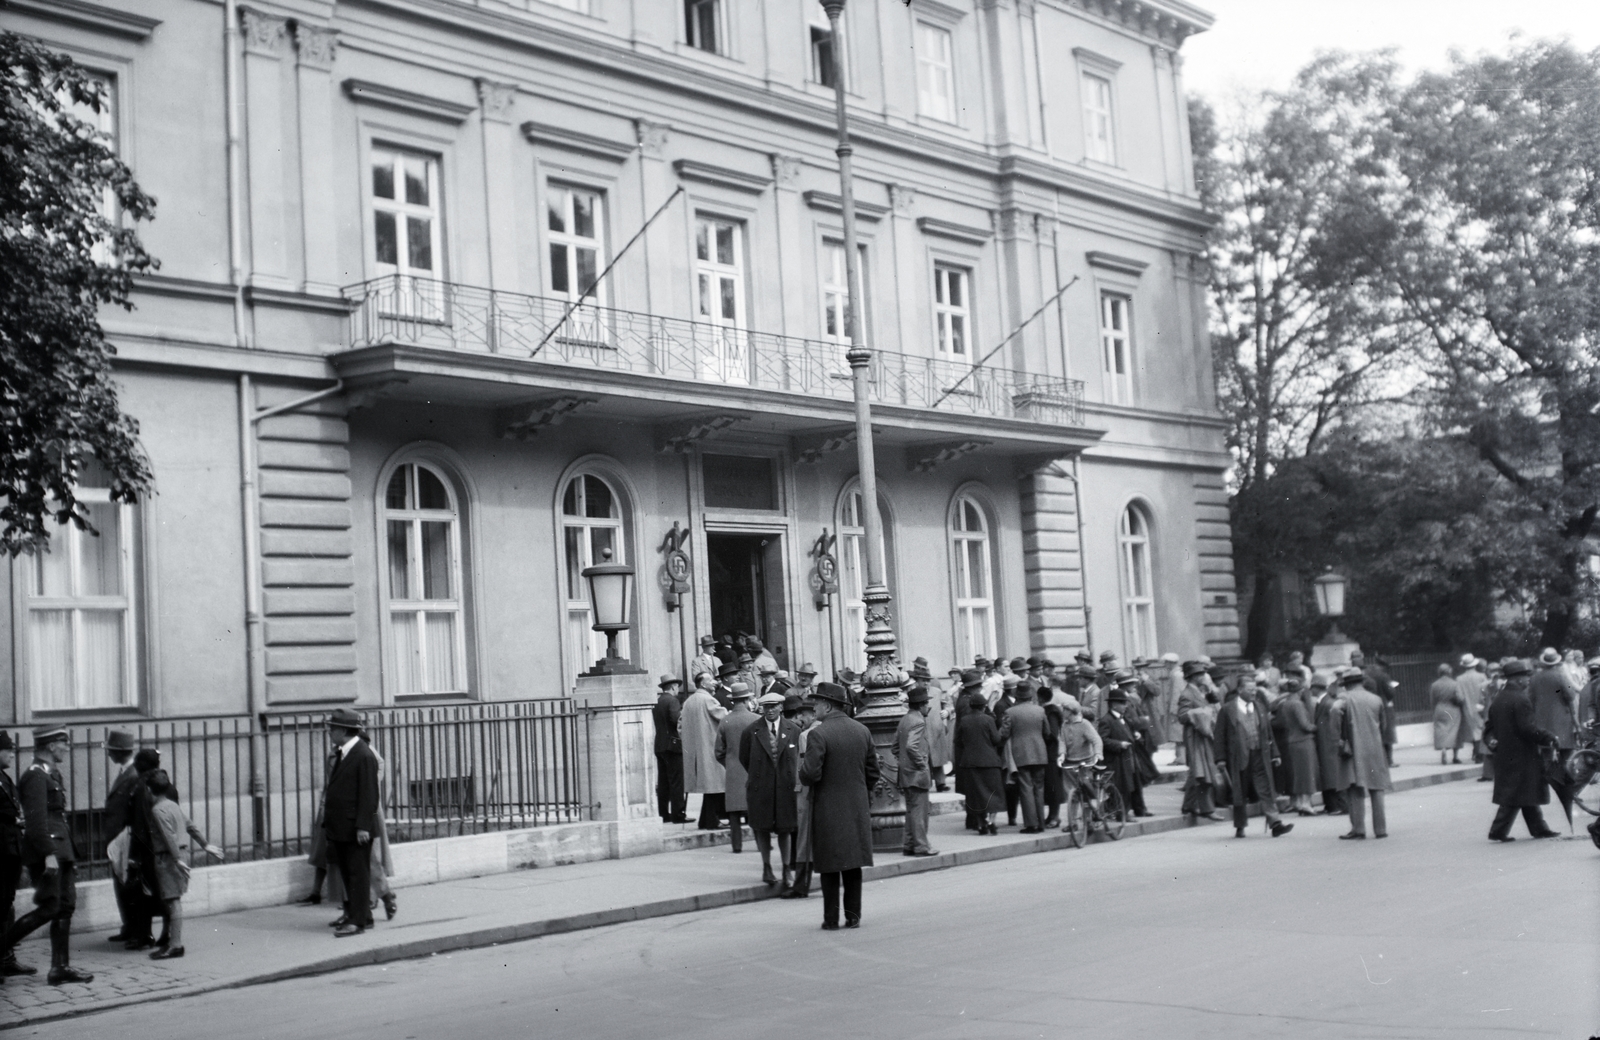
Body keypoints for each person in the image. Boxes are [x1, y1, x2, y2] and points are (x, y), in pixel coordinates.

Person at [1, 726, 93, 984]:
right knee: (50, 907)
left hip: (61, 850)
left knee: (65, 907)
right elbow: (36, 822)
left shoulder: (50, 774)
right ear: (51, 746)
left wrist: (66, 855)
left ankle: (59, 969)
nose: (67, 747)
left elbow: (57, 818)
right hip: (48, 852)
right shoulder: (35, 775)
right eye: (63, 743)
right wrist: (49, 855)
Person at [799, 682, 879, 930]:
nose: (814, 709)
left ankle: (831, 919)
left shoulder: (818, 734)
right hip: (856, 806)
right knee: (853, 863)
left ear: (827, 705)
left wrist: (802, 773)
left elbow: (811, 774)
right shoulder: (861, 730)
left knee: (830, 864)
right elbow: (873, 772)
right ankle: (853, 916)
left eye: (816, 704)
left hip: (827, 807)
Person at [143, 768, 224, 959]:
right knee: (173, 899)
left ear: (149, 789)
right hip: (179, 855)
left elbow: (168, 835)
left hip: (169, 857)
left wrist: (176, 859)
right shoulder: (172, 805)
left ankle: (175, 945)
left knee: (173, 901)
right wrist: (205, 844)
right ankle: (172, 942)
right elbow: (190, 826)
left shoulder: (157, 810)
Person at [1484, 659, 1561, 841]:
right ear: (1517, 679)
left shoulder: (1499, 698)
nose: (1528, 681)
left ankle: (1539, 828)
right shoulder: (1521, 699)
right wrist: (1549, 737)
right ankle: (1498, 831)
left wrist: (1490, 740)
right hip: (1522, 754)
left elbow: (1489, 727)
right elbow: (1527, 728)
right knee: (1515, 793)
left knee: (1526, 790)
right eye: (1526, 677)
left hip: (1505, 753)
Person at [1215, 674, 1293, 839]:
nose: (1253, 693)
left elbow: (1268, 733)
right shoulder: (1228, 709)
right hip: (1238, 758)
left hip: (1259, 755)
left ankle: (1275, 824)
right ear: (1240, 690)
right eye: (1250, 690)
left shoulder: (1260, 707)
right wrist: (1220, 758)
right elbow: (1220, 735)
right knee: (1240, 793)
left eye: (1255, 690)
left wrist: (1275, 753)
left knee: (1266, 789)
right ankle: (1240, 826)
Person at [324, 708, 380, 938]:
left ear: (343, 730)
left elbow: (369, 795)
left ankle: (357, 922)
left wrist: (363, 827)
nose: (329, 732)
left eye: (332, 728)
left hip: (355, 828)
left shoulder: (363, 754)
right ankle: (361, 915)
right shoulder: (344, 752)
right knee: (349, 874)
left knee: (357, 874)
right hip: (342, 826)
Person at [740, 691, 801, 891]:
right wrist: (761, 776)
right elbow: (745, 758)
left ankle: (786, 869)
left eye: (774, 706)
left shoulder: (793, 729)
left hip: (785, 788)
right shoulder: (751, 731)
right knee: (762, 828)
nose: (771, 710)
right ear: (761, 708)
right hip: (761, 789)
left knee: (785, 829)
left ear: (781, 707)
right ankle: (767, 867)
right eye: (767, 706)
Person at [1333, 670, 1392, 839]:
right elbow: (1383, 725)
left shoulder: (1344, 698)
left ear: (1347, 684)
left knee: (1355, 788)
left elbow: (1335, 711)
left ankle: (1358, 829)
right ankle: (1380, 829)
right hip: (1375, 748)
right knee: (1377, 788)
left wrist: (1338, 736)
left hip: (1353, 748)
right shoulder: (1376, 699)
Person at [100, 729, 143, 946]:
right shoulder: (126, 772)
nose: (108, 754)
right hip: (118, 839)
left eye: (111, 751)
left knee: (130, 885)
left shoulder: (133, 775)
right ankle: (128, 927)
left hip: (126, 838)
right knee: (121, 883)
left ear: (119, 752)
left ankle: (136, 931)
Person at [1528, 647, 1580, 820]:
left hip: (1541, 721)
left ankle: (1549, 783)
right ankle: (1566, 786)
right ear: (1556, 661)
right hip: (1561, 721)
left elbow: (1530, 699)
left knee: (1546, 755)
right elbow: (1571, 694)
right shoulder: (1561, 676)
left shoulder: (1534, 678)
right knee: (1566, 754)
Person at [0, 732, 34, 980]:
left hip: (10, 851)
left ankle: (6, 958)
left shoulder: (4, 778)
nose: (12, 753)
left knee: (6, 904)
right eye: (8, 749)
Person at [680, 674, 730, 830]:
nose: (714, 683)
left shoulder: (688, 702)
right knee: (714, 786)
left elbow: (680, 726)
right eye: (710, 680)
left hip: (695, 751)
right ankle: (711, 820)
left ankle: (706, 820)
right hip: (710, 749)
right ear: (702, 684)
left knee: (710, 787)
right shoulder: (708, 700)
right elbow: (725, 718)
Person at [714, 684, 759, 853]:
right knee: (754, 808)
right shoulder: (755, 719)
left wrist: (729, 763)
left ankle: (737, 845)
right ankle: (761, 844)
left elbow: (718, 751)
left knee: (734, 811)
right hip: (754, 769)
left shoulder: (725, 720)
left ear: (733, 700)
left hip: (733, 770)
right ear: (747, 699)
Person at [999, 680, 1049, 833]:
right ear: (1030, 696)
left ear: (1017, 696)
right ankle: (1041, 822)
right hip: (1040, 753)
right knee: (1039, 788)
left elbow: (1004, 733)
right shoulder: (1040, 710)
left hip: (1021, 754)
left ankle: (1031, 824)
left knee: (1026, 788)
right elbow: (1047, 732)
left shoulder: (1010, 712)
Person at [893, 685, 938, 856]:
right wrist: (921, 764)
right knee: (920, 812)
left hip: (905, 773)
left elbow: (895, 747)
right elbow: (911, 746)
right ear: (921, 705)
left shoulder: (905, 719)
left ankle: (909, 844)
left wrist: (904, 762)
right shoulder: (918, 721)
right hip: (917, 774)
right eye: (927, 703)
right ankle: (921, 846)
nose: (929, 707)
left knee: (912, 810)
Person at [953, 691, 1005, 835]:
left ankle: (981, 824)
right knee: (994, 793)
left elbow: (957, 741)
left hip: (970, 762)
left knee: (975, 795)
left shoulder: (964, 720)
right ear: (983, 706)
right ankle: (992, 822)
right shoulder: (988, 720)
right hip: (990, 762)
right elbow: (996, 740)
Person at [1176, 661, 1222, 821]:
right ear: (1193, 677)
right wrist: (1202, 713)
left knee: (1199, 772)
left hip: (1203, 735)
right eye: (1200, 674)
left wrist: (1211, 702)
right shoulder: (1187, 694)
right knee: (1202, 771)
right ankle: (1206, 809)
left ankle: (1189, 806)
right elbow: (1182, 716)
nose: (1203, 676)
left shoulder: (1201, 692)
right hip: (1195, 737)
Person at [784, 695, 820, 899]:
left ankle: (800, 885)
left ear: (813, 714)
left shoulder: (806, 735)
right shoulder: (825, 730)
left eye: (803, 714)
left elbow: (804, 768)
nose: (799, 717)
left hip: (806, 792)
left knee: (804, 842)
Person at [1096, 685, 1148, 820]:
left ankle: (1137, 809)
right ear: (1113, 705)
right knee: (1122, 786)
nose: (1125, 706)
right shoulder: (1106, 720)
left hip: (1127, 757)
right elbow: (1103, 739)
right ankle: (1121, 813)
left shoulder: (1123, 718)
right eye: (1122, 703)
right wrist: (1119, 744)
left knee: (1132, 783)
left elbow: (1127, 732)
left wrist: (1135, 734)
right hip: (1116, 759)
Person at [1279, 677, 1319, 815]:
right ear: (1300, 690)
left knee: (1299, 773)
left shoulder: (1285, 703)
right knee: (1307, 773)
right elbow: (1305, 725)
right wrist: (1317, 727)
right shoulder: (1297, 704)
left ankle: (1301, 803)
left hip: (1292, 740)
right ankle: (1306, 804)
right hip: (1304, 740)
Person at [652, 675, 687, 823]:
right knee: (677, 781)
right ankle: (678, 814)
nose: (678, 689)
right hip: (673, 745)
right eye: (677, 687)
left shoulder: (658, 701)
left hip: (660, 745)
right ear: (673, 687)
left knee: (664, 781)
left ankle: (663, 814)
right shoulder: (672, 701)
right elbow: (676, 720)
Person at [1311, 673, 1347, 815]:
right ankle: (1331, 805)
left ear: (1315, 688)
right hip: (1326, 743)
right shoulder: (1324, 701)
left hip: (1328, 744)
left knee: (1331, 776)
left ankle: (1338, 806)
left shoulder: (1326, 703)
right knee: (1328, 775)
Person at [1037, 686, 1066, 829]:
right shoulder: (1049, 711)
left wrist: (1042, 736)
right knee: (1049, 786)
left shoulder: (1051, 712)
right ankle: (1051, 816)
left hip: (1051, 753)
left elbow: (1053, 733)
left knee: (1053, 786)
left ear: (1041, 698)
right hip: (1048, 753)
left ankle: (1055, 816)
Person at [1430, 662, 1468, 765]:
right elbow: (1460, 698)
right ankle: (1455, 756)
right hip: (1452, 709)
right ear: (1449, 671)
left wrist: (1434, 710)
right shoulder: (1455, 684)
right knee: (1455, 731)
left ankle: (1443, 749)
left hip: (1440, 708)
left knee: (1441, 730)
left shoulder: (1434, 684)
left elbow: (1432, 700)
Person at [1457, 655, 1489, 763]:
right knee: (1481, 729)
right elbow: (1486, 692)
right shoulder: (1482, 676)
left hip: (1468, 707)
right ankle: (1479, 754)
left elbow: (1460, 697)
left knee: (1474, 730)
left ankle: (1477, 753)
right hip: (1481, 706)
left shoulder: (1459, 679)